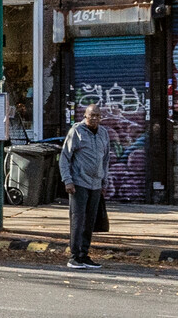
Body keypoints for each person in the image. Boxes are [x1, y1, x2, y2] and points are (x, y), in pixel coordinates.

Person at [61, 102, 115, 269]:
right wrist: (67, 180)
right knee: (78, 220)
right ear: (85, 115)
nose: (95, 118)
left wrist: (104, 181)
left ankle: (84, 255)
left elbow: (105, 159)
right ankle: (74, 257)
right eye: (92, 115)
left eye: (98, 116)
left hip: (96, 184)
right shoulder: (76, 131)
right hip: (79, 183)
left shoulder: (103, 133)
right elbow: (65, 157)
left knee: (90, 221)